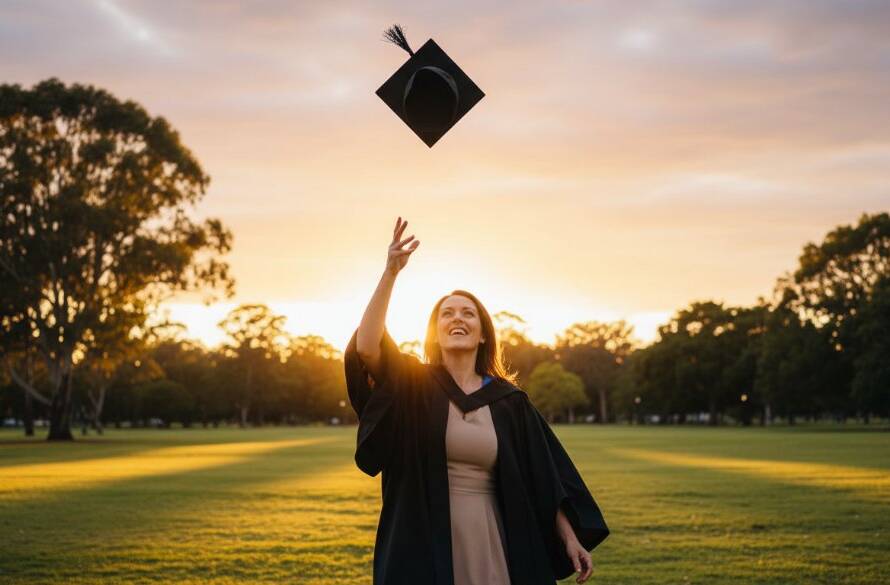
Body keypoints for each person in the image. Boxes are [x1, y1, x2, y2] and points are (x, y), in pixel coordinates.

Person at [345, 217, 609, 585]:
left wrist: (569, 537)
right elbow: (367, 347)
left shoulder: (509, 402)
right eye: (447, 314)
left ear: (483, 334)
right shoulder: (413, 386)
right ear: (434, 333)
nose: (457, 318)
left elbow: (544, 479)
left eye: (467, 313)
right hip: (422, 536)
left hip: (495, 536)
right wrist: (390, 273)